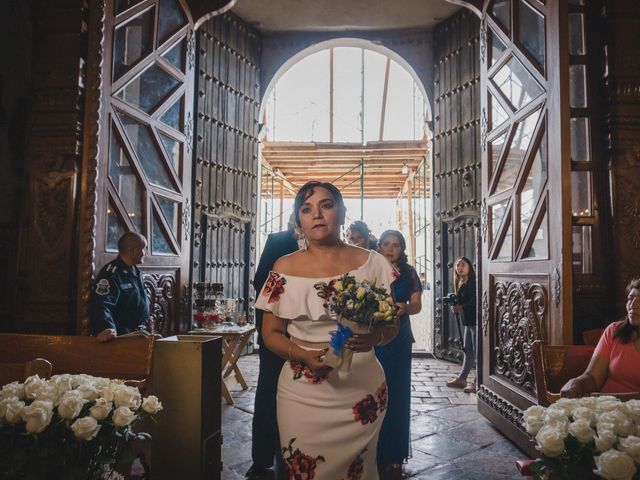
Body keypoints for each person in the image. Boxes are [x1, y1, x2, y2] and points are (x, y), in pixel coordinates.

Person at [255, 181, 399, 479]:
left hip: (360, 391)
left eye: (327, 205)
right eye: (306, 209)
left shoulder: (375, 264)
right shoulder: (283, 268)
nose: (316, 215)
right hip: (302, 393)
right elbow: (270, 334)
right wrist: (304, 355)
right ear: (299, 221)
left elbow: (392, 326)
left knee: (359, 471)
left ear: (342, 212)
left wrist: (375, 336)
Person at [247, 216, 300, 480]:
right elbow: (261, 282)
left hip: (313, 338)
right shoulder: (278, 241)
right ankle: (262, 457)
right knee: (268, 393)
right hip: (277, 331)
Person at [375, 230, 423, 480]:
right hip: (373, 337)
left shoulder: (409, 273)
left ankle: (394, 454)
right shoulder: (370, 268)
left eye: (395, 245)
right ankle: (371, 450)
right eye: (386, 244)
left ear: (402, 249)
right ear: (379, 246)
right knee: (372, 391)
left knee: (396, 392)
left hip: (399, 338)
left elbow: (417, 305)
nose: (390, 248)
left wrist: (405, 307)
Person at [560, 278, 640, 398]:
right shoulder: (614, 330)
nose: (633, 305)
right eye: (630, 298)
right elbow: (593, 377)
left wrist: (611, 400)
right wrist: (576, 383)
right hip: (602, 408)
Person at [90, 232, 149, 342]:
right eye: (143, 249)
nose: (144, 253)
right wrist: (106, 328)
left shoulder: (135, 271)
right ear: (133, 250)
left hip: (138, 335)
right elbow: (102, 304)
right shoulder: (111, 273)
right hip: (122, 338)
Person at [445, 257, 477, 393]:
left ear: (469, 266)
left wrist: (462, 307)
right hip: (468, 322)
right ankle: (462, 379)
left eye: (462, 265)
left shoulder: (473, 283)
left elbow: (475, 301)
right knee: (468, 351)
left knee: (477, 352)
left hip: (475, 322)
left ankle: (477, 383)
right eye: (457, 265)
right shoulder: (463, 283)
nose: (459, 268)